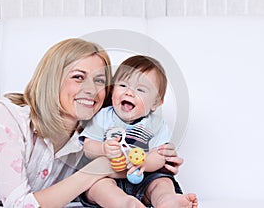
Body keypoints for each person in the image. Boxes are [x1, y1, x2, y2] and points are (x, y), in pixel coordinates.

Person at [0, 38, 183, 207]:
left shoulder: (91, 131)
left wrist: (155, 159)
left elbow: (114, 168)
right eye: (78, 77)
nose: (91, 89)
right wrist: (97, 169)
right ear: (52, 80)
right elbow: (20, 204)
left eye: (99, 81)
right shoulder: (5, 117)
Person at [79, 55, 198, 208]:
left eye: (140, 89)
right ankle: (125, 203)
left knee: (162, 182)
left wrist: (145, 163)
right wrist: (102, 148)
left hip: (144, 176)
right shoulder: (102, 116)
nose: (129, 93)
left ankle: (166, 200)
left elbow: (160, 155)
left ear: (155, 102)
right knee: (98, 187)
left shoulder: (156, 124)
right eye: (123, 85)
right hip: (108, 175)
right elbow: (87, 146)